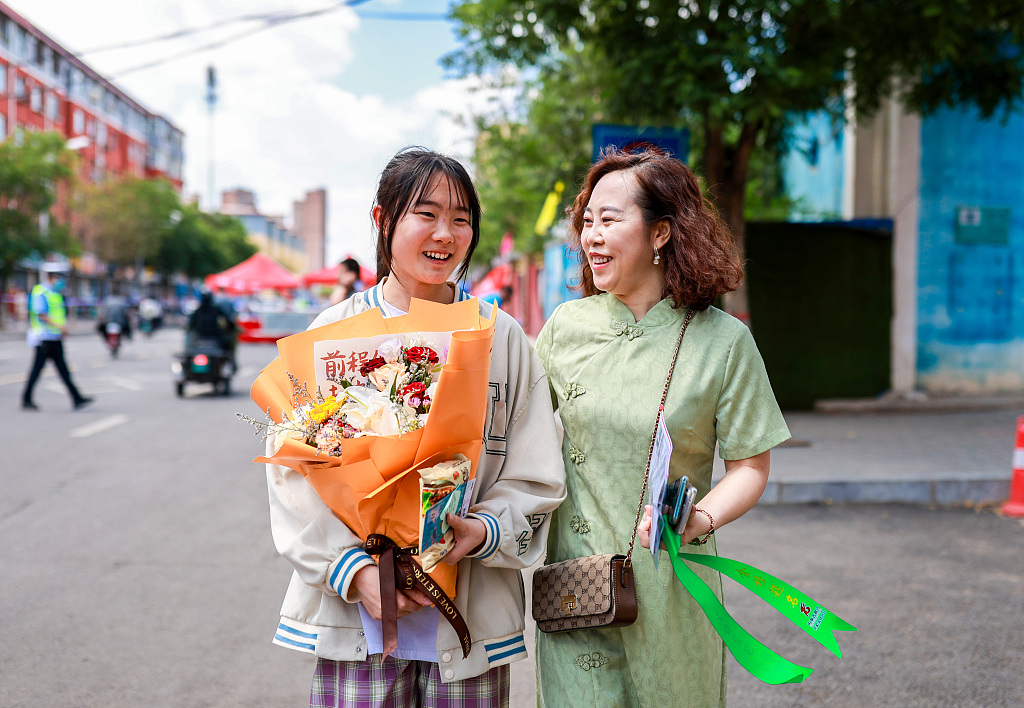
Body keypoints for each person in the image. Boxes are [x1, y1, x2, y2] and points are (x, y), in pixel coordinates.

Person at [265, 147, 566, 707]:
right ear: (382, 220)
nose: (445, 234)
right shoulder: (335, 331)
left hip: (466, 626)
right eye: (425, 214)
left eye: (460, 219)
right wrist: (353, 572)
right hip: (357, 624)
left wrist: (481, 531)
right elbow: (294, 475)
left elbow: (536, 470)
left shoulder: (501, 338)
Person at [533, 146, 791, 708]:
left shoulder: (723, 341)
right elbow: (510, 431)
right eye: (587, 222)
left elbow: (751, 466)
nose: (591, 236)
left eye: (610, 220)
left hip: (674, 581)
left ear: (661, 233)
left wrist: (701, 517)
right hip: (576, 585)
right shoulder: (565, 327)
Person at [21, 264, 93, 411]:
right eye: (60, 278)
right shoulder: (41, 292)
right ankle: (26, 399)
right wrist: (61, 328)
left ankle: (77, 398)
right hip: (44, 338)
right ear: (52, 277)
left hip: (55, 338)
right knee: (38, 370)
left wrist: (61, 329)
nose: (62, 281)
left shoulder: (55, 293)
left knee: (62, 370)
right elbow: (41, 314)